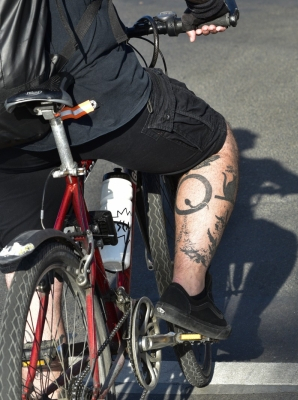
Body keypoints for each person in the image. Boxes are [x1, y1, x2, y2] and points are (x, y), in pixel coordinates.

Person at [0, 0, 238, 340]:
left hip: (7, 126)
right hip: (90, 93)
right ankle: (189, 294)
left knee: (32, 267)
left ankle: (46, 383)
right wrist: (208, 8)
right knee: (214, 142)